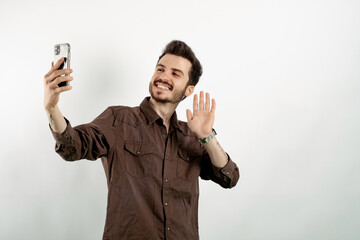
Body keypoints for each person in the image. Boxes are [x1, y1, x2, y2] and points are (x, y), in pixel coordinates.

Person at [44, 40, 239, 240]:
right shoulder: (118, 120)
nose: (164, 76)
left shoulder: (192, 135)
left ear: (189, 90)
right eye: (160, 69)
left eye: (175, 73)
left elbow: (229, 177)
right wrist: (51, 108)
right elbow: (72, 146)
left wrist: (208, 137)